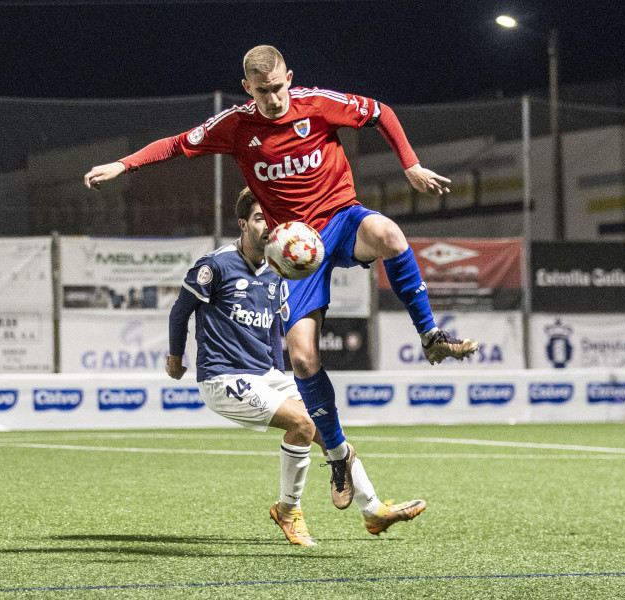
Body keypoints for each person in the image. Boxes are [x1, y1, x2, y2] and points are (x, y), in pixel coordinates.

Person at [85, 44, 477, 509]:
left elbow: (381, 112)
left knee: (390, 234)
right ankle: (336, 456)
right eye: (263, 91)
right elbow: (176, 143)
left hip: (342, 221)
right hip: (294, 253)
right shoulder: (236, 125)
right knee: (304, 359)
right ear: (248, 88)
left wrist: (409, 164)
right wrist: (123, 165)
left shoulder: (318, 103)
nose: (273, 98)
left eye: (279, 87)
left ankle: (430, 335)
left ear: (289, 77)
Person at [166, 187, 426, 546]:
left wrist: (278, 371)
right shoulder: (216, 265)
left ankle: (374, 511)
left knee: (328, 431)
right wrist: (175, 358)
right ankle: (287, 510)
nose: (267, 227)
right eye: (259, 219)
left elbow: (275, 327)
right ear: (242, 224)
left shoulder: (280, 270)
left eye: (271, 219)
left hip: (266, 375)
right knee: (303, 424)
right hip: (223, 377)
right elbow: (180, 311)